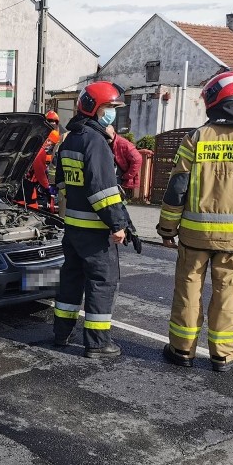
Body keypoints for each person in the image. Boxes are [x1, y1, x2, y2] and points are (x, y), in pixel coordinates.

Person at [157, 70, 233, 373]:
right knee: (228, 295)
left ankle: (182, 350)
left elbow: (176, 188)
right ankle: (222, 355)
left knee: (188, 292)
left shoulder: (195, 138)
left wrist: (167, 229)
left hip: (194, 237)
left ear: (213, 101)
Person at [53, 81, 130, 358]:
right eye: (109, 107)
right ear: (94, 108)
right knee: (102, 281)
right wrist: (117, 225)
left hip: (73, 227)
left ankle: (61, 333)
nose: (112, 113)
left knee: (71, 279)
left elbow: (61, 183)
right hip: (96, 231)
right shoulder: (94, 142)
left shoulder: (70, 138)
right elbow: (104, 192)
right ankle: (98, 343)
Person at [104, 125, 143, 195]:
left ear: (113, 133)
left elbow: (137, 159)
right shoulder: (108, 142)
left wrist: (127, 176)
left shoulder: (123, 144)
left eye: (107, 135)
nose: (106, 137)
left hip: (120, 177)